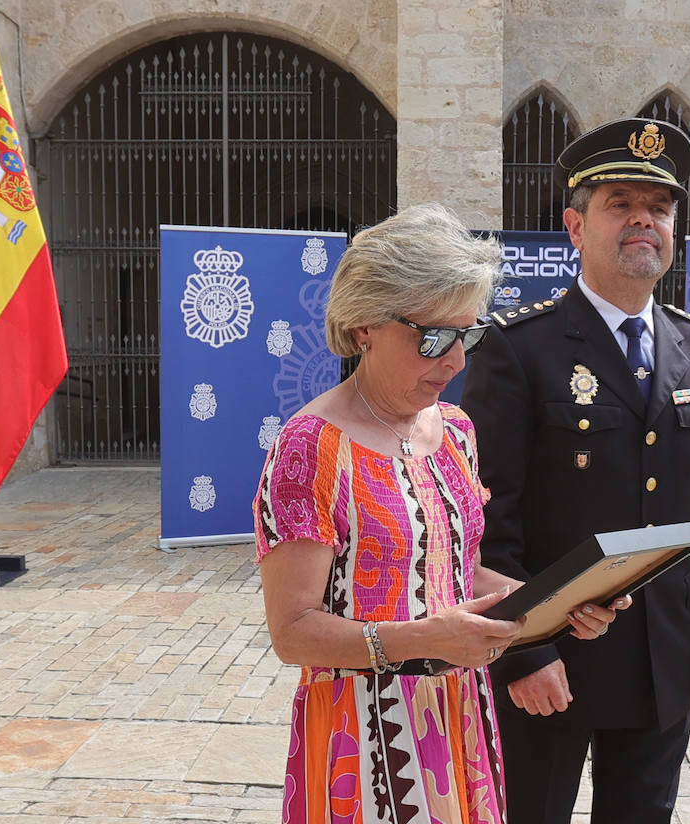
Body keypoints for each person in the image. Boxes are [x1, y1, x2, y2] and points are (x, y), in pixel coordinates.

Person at [253, 202, 625, 824]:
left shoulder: (454, 430)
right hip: (362, 731)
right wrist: (426, 640)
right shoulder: (309, 446)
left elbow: (454, 570)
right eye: (434, 337)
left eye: (469, 335)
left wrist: (554, 601)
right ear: (366, 324)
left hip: (459, 718)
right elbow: (293, 632)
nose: (455, 362)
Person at [460, 119, 690, 824]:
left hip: (661, 659)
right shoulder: (518, 349)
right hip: (552, 660)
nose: (642, 221)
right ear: (575, 224)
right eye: (620, 203)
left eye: (658, 207)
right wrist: (520, 653)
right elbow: (484, 519)